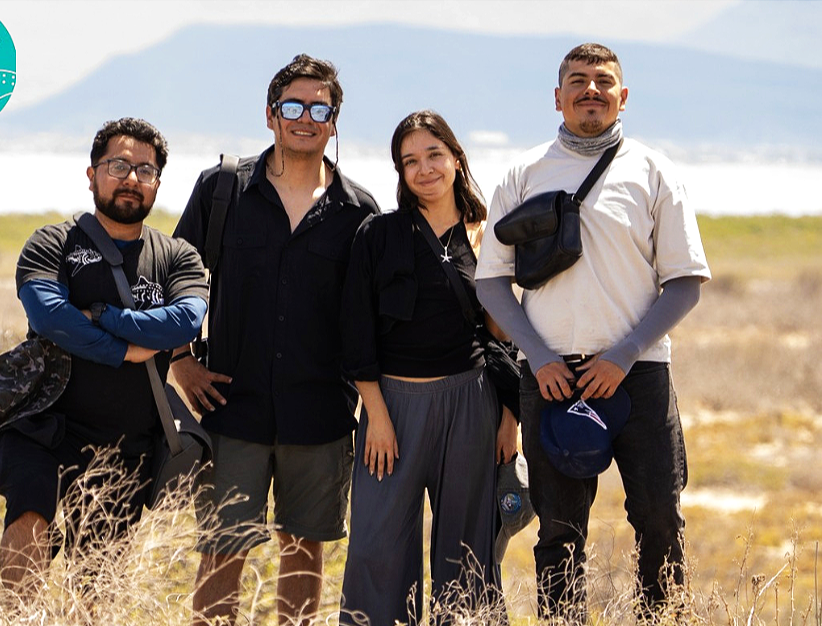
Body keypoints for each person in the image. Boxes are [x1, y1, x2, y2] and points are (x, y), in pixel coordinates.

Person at [476, 43, 711, 623]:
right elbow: (490, 283)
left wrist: (625, 355)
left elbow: (684, 282)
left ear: (622, 96)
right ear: (557, 97)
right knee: (558, 531)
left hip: (639, 375)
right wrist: (538, 356)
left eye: (603, 81)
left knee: (659, 519)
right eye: (577, 81)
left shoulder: (655, 172)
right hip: (552, 378)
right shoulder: (523, 173)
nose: (590, 91)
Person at [171, 54, 380, 626]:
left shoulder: (359, 211)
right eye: (293, 106)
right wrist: (179, 361)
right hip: (231, 407)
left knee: (304, 549)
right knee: (221, 550)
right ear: (271, 115)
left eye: (320, 108)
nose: (305, 117)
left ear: (334, 121)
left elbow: (369, 317)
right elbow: (171, 275)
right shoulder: (222, 190)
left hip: (320, 412)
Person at [0, 117, 209, 601]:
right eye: (119, 165)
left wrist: (103, 314)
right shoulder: (53, 244)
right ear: (92, 174)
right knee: (29, 514)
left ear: (157, 183)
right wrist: (127, 348)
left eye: (146, 170)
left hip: (127, 440)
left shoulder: (178, 258)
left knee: (97, 582)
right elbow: (50, 316)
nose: (132, 177)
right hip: (44, 423)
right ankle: (22, 617)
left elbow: (185, 322)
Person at [339, 110, 515, 626]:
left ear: (457, 160)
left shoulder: (490, 235)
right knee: (376, 545)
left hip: (471, 402)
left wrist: (510, 419)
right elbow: (356, 332)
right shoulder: (379, 234)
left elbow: (505, 339)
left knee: (469, 550)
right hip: (390, 404)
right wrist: (377, 415)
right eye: (409, 160)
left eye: (434, 155)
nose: (424, 169)